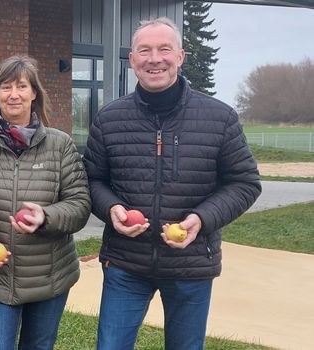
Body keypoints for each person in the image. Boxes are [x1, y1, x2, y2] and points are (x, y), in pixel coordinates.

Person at [84, 17, 262, 349]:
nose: (155, 59)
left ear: (180, 57)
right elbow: (92, 179)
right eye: (144, 51)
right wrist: (112, 208)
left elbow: (244, 182)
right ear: (132, 60)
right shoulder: (109, 118)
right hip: (125, 263)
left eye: (164, 49)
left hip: (191, 264)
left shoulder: (219, 117)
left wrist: (201, 219)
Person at [0, 55, 90, 349]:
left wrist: (45, 217)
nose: (14, 94)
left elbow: (80, 204)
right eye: (6, 87)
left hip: (50, 276)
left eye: (22, 86)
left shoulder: (59, 144)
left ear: (34, 94)